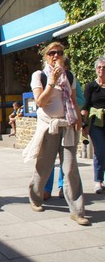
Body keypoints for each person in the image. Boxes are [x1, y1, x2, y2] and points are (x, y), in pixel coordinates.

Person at [22, 42, 89, 226]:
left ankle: (77, 210)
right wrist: (51, 82)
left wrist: (79, 124)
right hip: (49, 126)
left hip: (67, 125)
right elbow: (40, 102)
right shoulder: (40, 76)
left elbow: (74, 101)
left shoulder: (69, 76)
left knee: (70, 169)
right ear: (46, 56)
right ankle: (35, 197)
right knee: (44, 167)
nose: (55, 56)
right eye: (51, 53)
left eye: (59, 53)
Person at [44, 57, 86, 200]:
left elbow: (80, 99)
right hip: (51, 124)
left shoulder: (71, 79)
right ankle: (46, 189)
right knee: (47, 161)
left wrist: (67, 105)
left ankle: (63, 188)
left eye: (62, 67)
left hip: (69, 123)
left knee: (67, 161)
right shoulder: (45, 77)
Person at [81, 55, 105, 194]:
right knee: (100, 150)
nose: (101, 69)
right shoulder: (91, 86)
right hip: (96, 122)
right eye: (99, 67)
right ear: (96, 69)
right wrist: (84, 123)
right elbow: (85, 104)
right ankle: (98, 181)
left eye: (104, 67)